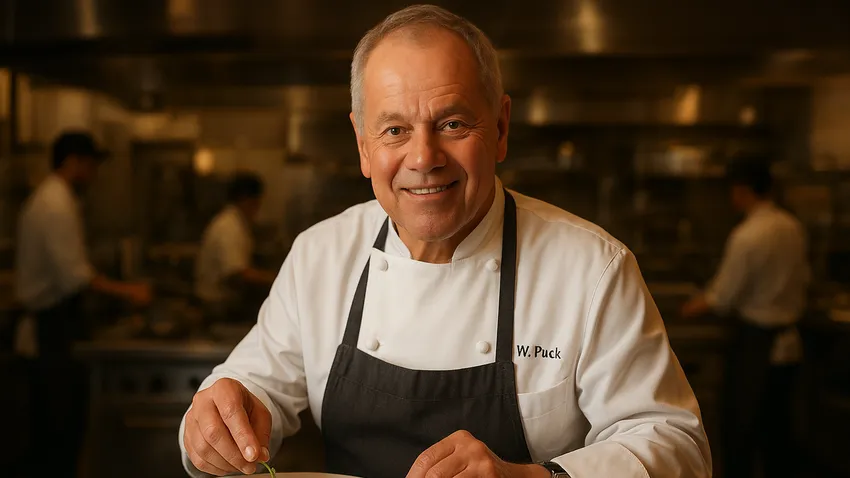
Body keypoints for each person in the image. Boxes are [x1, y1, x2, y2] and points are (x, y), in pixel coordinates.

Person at [179, 6, 711, 478]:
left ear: (501, 128)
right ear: (363, 146)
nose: (423, 158)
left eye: (452, 123)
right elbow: (249, 387)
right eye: (393, 131)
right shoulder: (321, 256)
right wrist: (216, 423)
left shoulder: (591, 269)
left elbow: (676, 446)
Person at [15, 131, 152, 476]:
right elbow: (75, 276)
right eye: (91, 165)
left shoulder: (56, 198)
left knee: (56, 430)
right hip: (51, 329)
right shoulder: (55, 203)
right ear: (74, 162)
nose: (94, 175)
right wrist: (130, 292)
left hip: (56, 325)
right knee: (59, 433)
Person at [681, 156, 808, 478]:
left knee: (742, 428)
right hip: (791, 339)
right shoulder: (792, 226)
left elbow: (722, 297)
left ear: (740, 190)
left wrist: (687, 308)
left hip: (757, 344)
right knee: (778, 428)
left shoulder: (748, 235)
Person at [195, 172, 276, 320]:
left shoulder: (234, 221)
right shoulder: (229, 226)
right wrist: (275, 279)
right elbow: (237, 273)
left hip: (222, 303)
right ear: (247, 200)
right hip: (217, 306)